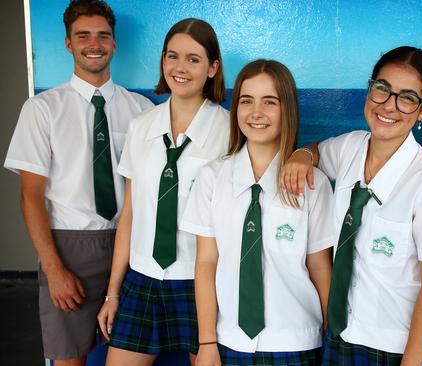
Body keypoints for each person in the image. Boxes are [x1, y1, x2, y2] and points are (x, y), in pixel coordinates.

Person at [282, 46, 422, 365]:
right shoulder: (351, 147)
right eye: (381, 89)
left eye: (407, 98)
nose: (388, 106)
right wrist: (301, 157)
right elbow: (316, 151)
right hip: (347, 335)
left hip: (404, 348)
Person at [4, 1, 153, 365]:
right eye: (83, 35)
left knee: (131, 353)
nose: (94, 43)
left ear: (115, 44)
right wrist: (54, 269)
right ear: (69, 44)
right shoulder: (42, 109)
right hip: (70, 247)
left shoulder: (143, 111)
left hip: (131, 247)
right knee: (70, 358)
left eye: (103, 35)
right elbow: (31, 197)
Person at [180, 59, 334, 366]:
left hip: (297, 341)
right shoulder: (212, 178)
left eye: (270, 102)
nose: (256, 113)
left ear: (287, 109)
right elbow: (207, 263)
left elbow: (319, 267)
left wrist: (333, 339)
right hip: (229, 341)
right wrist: (207, 341)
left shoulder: (313, 184)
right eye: (246, 101)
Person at [95, 18, 229, 366]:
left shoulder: (230, 131)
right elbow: (130, 215)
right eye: (172, 56)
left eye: (193, 59)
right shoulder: (140, 127)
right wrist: (112, 293)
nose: (179, 68)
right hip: (143, 277)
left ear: (213, 67)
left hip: (200, 281)